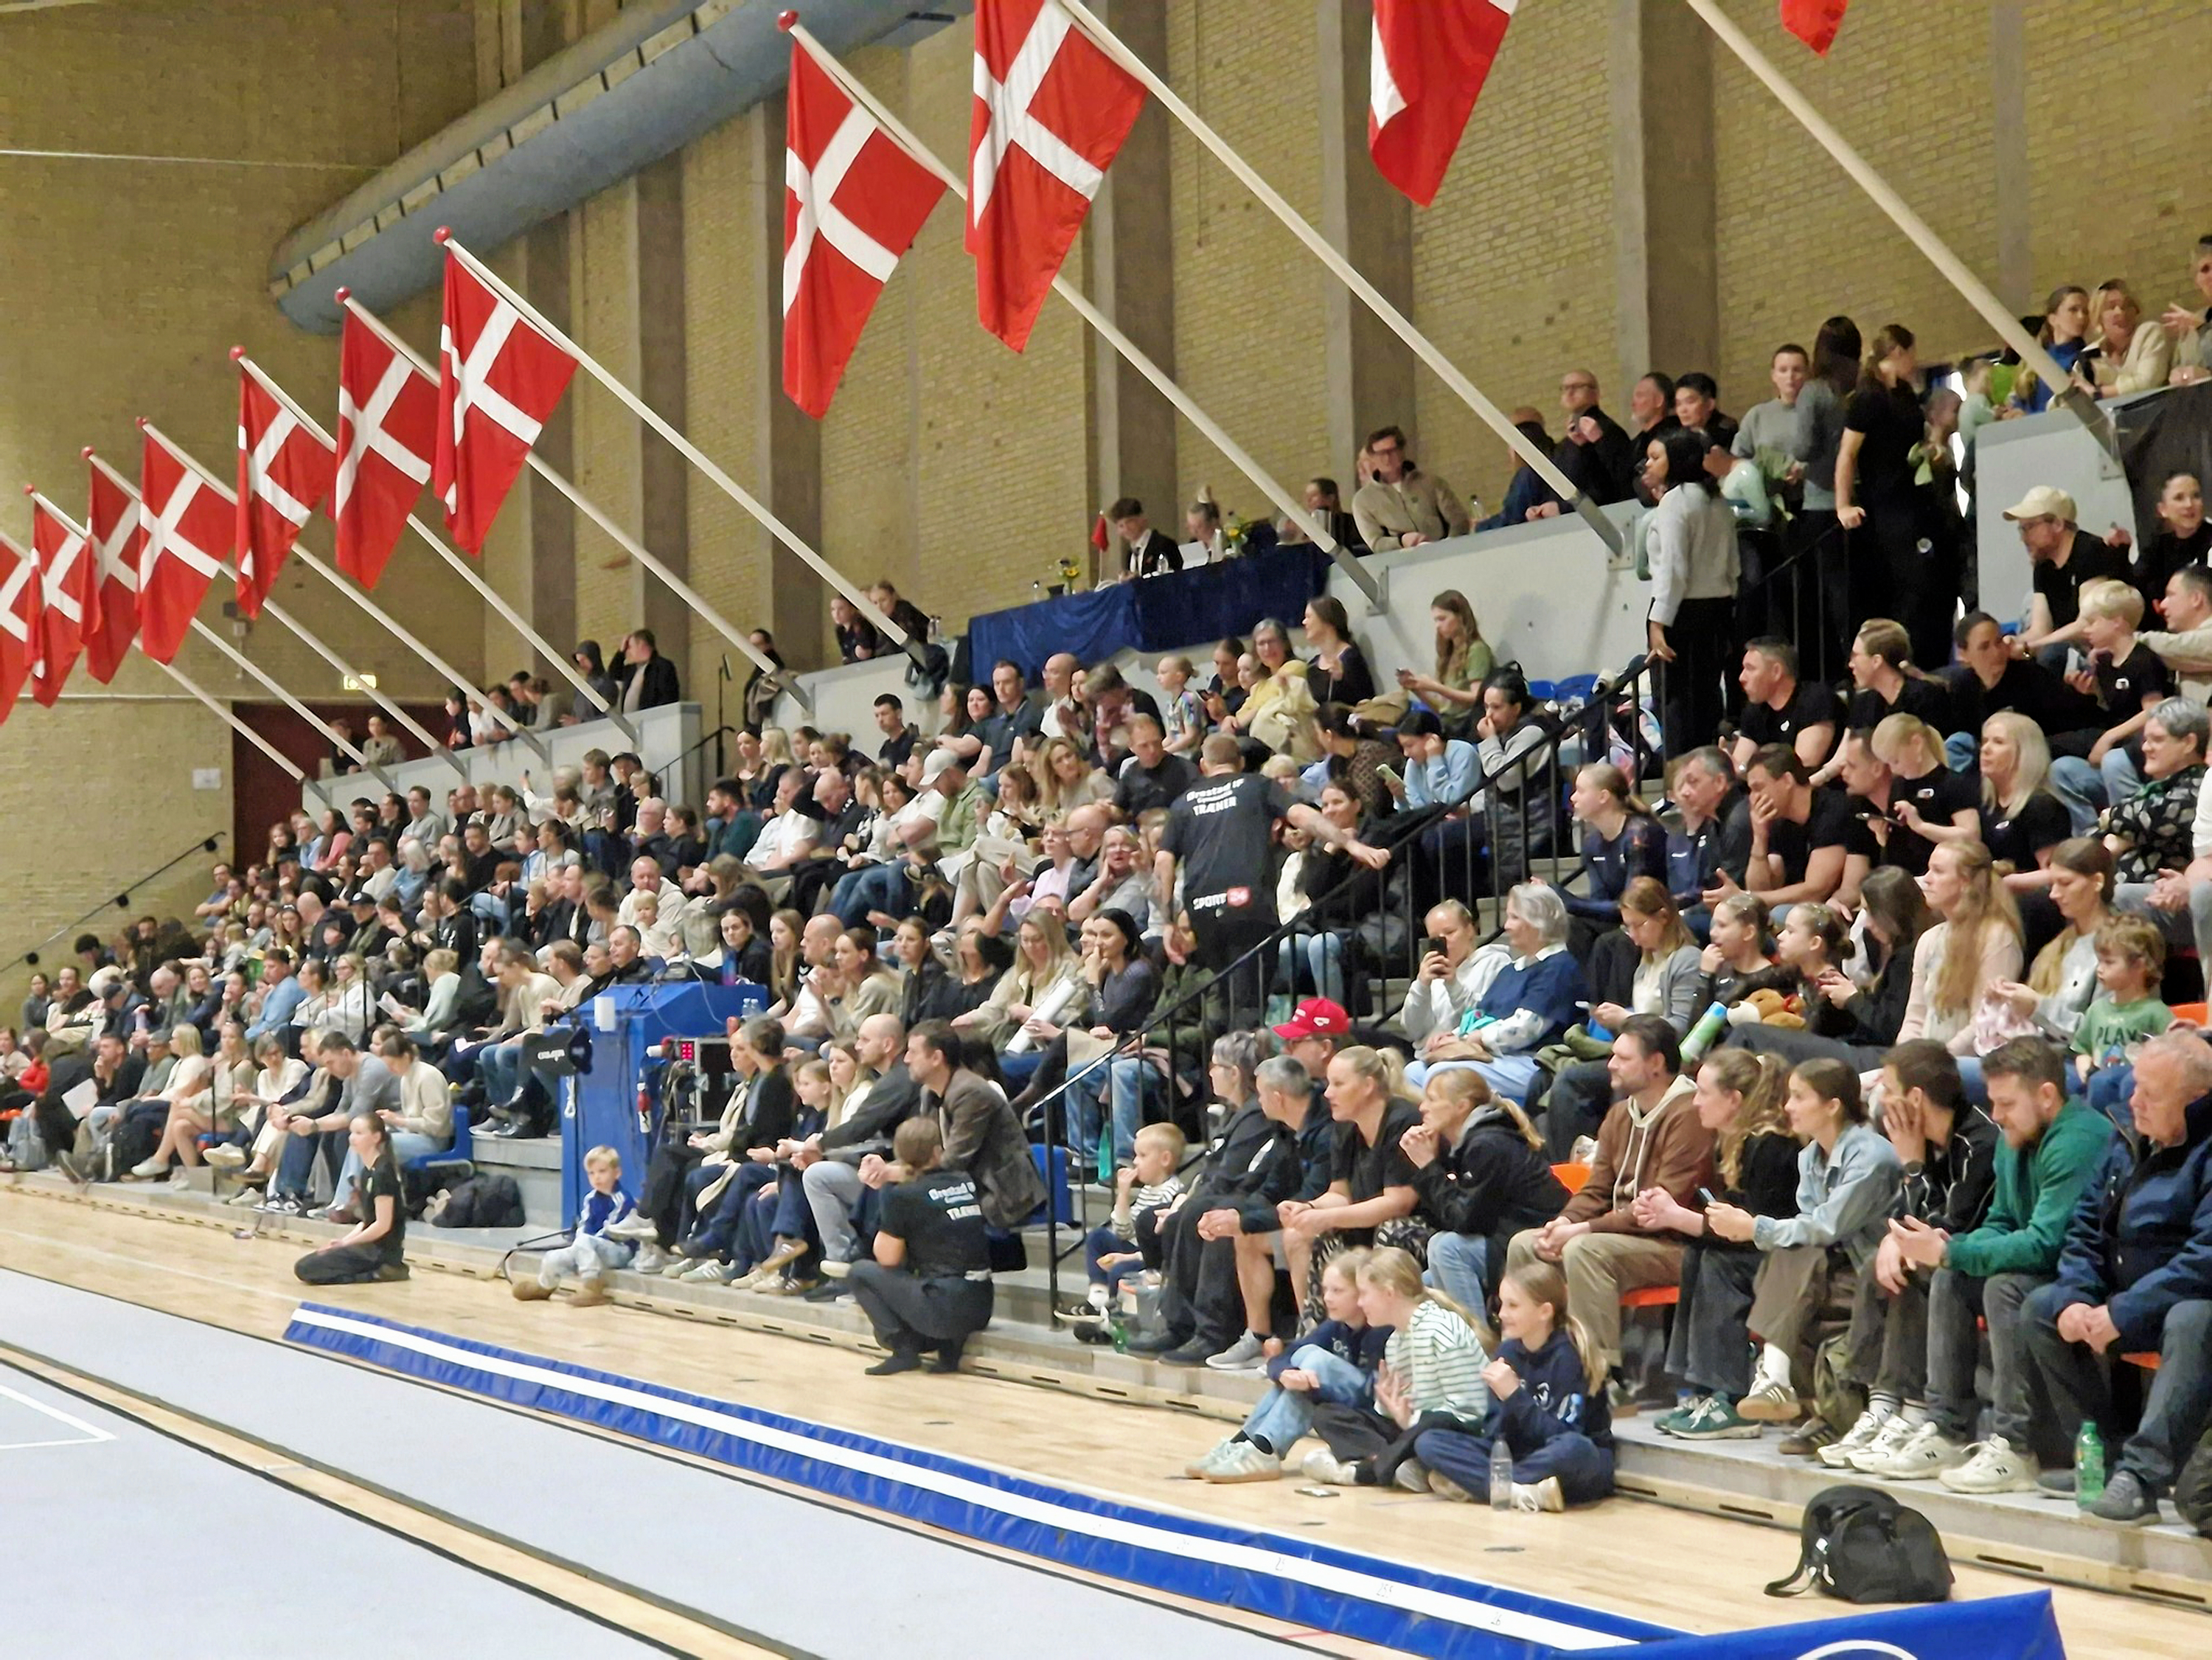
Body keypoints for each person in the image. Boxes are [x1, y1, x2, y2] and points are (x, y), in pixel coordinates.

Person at [1864, 1037, 2118, 1493]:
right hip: (2045, 1264)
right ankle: (1945, 1429)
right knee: (1952, 1277)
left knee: (2002, 1286)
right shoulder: (2016, 1136)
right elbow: (2000, 1220)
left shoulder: (2077, 1140)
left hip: (2088, 1273)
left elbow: (2046, 1244)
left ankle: (2016, 1446)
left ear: (2047, 1095)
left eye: (2006, 1103)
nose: (1995, 1115)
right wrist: (1949, 1247)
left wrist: (1951, 1251)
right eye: (1993, 1102)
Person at [2021, 1030, 2212, 1523]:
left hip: (2183, 1304)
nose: (2133, 1101)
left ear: (2196, 1100)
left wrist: (2123, 1312)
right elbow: (2085, 1227)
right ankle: (2100, 1459)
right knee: (2042, 1307)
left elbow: (2204, 1261)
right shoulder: (2128, 1136)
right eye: (2135, 1086)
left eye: (2151, 1093)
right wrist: (2076, 1298)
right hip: (2124, 1297)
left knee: (2194, 1318)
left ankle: (2142, 1477)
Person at [1508, 1016, 1713, 1389]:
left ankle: (1597, 1377)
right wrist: (1564, 1222)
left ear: (1656, 1064)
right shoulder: (1620, 1114)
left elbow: (1659, 1207)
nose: (1611, 1065)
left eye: (1623, 1058)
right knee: (1526, 1244)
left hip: (1677, 1244)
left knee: (1585, 1250)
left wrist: (1582, 1229)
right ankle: (1536, 1360)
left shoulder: (1689, 1114)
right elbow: (1597, 1188)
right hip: (1622, 1238)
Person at [1702, 1059, 1901, 1432]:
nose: (1787, 1107)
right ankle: (1802, 1398)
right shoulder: (1809, 1157)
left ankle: (1774, 1375)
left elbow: (1825, 1227)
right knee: (1790, 1255)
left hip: (1873, 1273)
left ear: (1832, 1106)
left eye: (1798, 1097)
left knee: (1795, 1252)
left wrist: (1754, 1227)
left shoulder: (1870, 1158)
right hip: (1832, 1269)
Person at [1155, 735, 1387, 1027]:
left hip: (1201, 909)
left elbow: (1163, 862)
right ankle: (1246, 1049)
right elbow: (1301, 815)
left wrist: (1167, 923)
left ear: (1203, 766)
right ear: (1241, 762)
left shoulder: (1182, 803)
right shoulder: (1258, 785)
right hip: (1247, 905)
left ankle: (1229, 1049)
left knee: (1226, 1000)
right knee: (1249, 1005)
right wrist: (1351, 844)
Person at [1641, 1049, 1801, 1438]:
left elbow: (1757, 1234)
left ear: (1734, 1100)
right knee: (1697, 1256)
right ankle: (1701, 1388)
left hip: (1788, 1261)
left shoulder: (1771, 1146)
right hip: (1759, 1252)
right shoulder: (1731, 1141)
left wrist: (1679, 1217)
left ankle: (1732, 1396)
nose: (1695, 1102)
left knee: (1720, 1264)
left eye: (1704, 1093)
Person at [1420, 1260, 1616, 1510]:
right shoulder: (1508, 1351)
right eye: (1502, 1304)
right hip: (1520, 1455)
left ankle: (1488, 1486)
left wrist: (1514, 1396)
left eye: (1513, 1306)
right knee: (1430, 1441)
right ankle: (1521, 1490)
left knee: (1575, 1449)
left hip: (1569, 1461)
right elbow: (1495, 1436)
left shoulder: (1569, 1356)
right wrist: (1501, 1405)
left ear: (1544, 1312)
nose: (1502, 1314)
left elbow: (1564, 1434)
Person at [1189, 1247, 1385, 1483]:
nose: (1327, 1298)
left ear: (1361, 1293)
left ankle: (1263, 1448)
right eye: (1325, 1290)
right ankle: (1244, 1443)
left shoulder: (1380, 1330)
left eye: (1338, 1291)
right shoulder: (1335, 1326)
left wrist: (1315, 1386)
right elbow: (1285, 1357)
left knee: (1313, 1361)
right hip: (1344, 1401)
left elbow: (1374, 1394)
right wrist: (1286, 1374)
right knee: (1302, 1369)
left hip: (1373, 1412)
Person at [1402, 1068, 1567, 1318]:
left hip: (1532, 1242)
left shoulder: (1487, 1145)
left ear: (1461, 1106)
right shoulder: (1468, 1143)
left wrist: (1428, 1166)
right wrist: (1434, 1163)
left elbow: (1464, 1221)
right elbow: (1454, 1216)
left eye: (1432, 1099)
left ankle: (1477, 1337)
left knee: (1447, 1248)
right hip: (1503, 1237)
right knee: (1420, 1286)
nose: (1422, 1107)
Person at [1836, 324, 1952, 665]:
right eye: (1912, 353)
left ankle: (1931, 657)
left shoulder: (1903, 393)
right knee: (1909, 582)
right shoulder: (1867, 398)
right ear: (1899, 352)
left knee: (1931, 580)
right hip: (1886, 502)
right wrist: (1843, 504)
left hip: (1914, 495)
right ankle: (1902, 659)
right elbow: (1847, 454)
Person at [849, 1115, 994, 1375]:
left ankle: (903, 1351)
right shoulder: (964, 1180)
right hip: (981, 1306)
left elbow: (887, 1259)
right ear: (938, 1150)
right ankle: (950, 1352)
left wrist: (887, 1196)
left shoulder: (903, 1195)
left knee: (860, 1272)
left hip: (942, 1311)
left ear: (899, 1154)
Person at [1645, 426, 1741, 757]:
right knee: (1708, 694)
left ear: (1676, 460)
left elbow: (1673, 569)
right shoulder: (1717, 498)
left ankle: (1680, 773)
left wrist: (1657, 622)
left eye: (1656, 457)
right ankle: (1709, 767)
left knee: (1675, 701)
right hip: (1719, 608)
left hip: (1680, 612)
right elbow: (1734, 564)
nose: (1649, 464)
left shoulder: (1675, 501)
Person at [293, 1114, 408, 1285]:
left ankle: (381, 1272)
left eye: (359, 1133)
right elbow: (367, 1221)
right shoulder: (367, 1171)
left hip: (381, 1251)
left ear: (376, 1137)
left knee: (306, 1269)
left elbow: (382, 1225)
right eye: (352, 1132)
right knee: (308, 1263)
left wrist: (348, 1245)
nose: (352, 1138)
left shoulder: (383, 1172)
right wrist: (343, 1242)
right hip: (368, 1246)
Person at [515, 1145, 635, 1306]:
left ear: (617, 1173)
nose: (597, 1178)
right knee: (554, 1257)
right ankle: (544, 1286)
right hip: (589, 1248)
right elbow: (584, 1225)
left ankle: (593, 1287)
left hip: (619, 1250)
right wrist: (579, 1248)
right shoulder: (590, 1199)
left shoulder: (623, 1199)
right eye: (591, 1173)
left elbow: (611, 1231)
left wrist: (582, 1247)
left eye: (602, 1171)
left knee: (584, 1242)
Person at [1350, 425, 1470, 552]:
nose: (1387, 458)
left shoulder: (1431, 483)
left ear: (1402, 451)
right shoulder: (1363, 500)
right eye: (1380, 454)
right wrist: (1401, 541)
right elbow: (1375, 542)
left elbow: (1458, 520)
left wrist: (1449, 544)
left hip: (1442, 550)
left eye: (1392, 451)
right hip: (1400, 558)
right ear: (1372, 457)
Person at [1529, 369, 1635, 511]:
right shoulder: (1570, 437)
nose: (1569, 393)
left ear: (1595, 393)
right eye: (1565, 388)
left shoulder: (1608, 431)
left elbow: (1609, 485)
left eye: (1577, 387)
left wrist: (1561, 508)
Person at [1731, 639, 1840, 777]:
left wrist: (1745, 770)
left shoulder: (1815, 699)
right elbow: (1740, 765)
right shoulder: (1755, 709)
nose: (1742, 678)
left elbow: (1802, 768)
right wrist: (1728, 766)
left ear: (1776, 672)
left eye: (1750, 669)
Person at [1394, 591, 1494, 737]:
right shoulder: (1448, 654)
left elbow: (1477, 698)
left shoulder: (1477, 650)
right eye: (1435, 621)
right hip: (1449, 724)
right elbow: (1442, 709)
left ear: (1461, 617)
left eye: (1442, 619)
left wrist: (1436, 687)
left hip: (1469, 725)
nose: (1438, 626)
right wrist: (1416, 688)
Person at [1107, 497, 1182, 580]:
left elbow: (1174, 578)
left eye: (1130, 522)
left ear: (1142, 519)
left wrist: (1139, 580)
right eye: (1121, 526)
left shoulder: (1163, 544)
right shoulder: (1130, 555)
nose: (1126, 529)